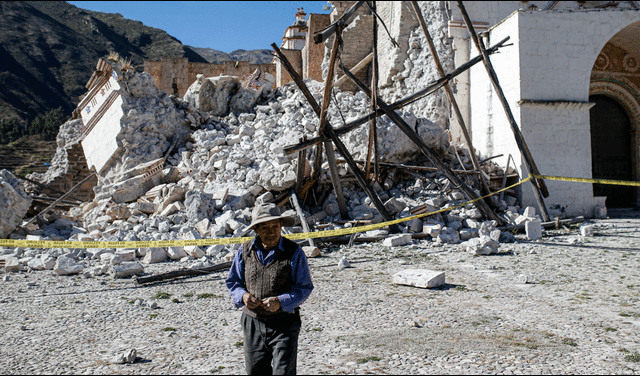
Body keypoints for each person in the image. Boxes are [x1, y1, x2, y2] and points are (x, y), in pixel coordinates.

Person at [226, 203, 314, 375]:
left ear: (281, 226)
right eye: (265, 227)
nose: (271, 232)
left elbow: (304, 287)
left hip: (285, 323)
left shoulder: (294, 252)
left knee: (283, 372)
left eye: (275, 226)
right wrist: (243, 297)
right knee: (255, 371)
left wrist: (281, 302)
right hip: (253, 322)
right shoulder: (244, 251)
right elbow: (233, 281)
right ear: (256, 229)